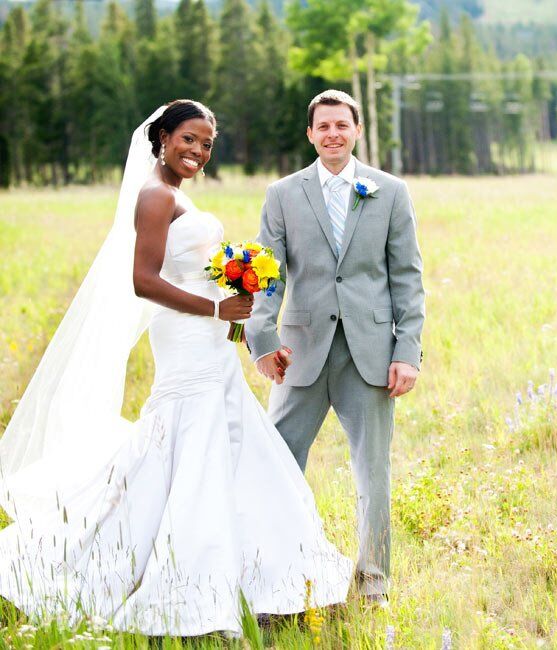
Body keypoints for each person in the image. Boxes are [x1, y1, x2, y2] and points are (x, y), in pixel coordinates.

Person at [0, 100, 352, 636]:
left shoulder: (177, 197)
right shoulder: (153, 196)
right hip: (186, 338)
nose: (198, 151)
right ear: (162, 137)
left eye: (207, 144)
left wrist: (236, 305)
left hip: (209, 340)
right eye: (188, 138)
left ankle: (262, 580)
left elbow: (194, 274)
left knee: (230, 442)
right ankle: (175, 586)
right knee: (186, 444)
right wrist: (215, 307)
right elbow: (143, 280)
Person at [246, 89, 426, 605]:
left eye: (341, 125)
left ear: (357, 131)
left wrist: (407, 352)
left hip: (370, 354)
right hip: (298, 353)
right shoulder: (283, 193)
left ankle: (373, 585)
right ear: (309, 134)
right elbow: (268, 272)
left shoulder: (389, 191)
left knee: (374, 473)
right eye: (323, 126)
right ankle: (272, 576)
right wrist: (261, 340)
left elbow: (408, 277)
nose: (332, 134)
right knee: (276, 463)